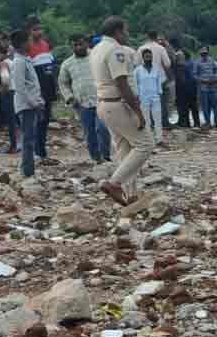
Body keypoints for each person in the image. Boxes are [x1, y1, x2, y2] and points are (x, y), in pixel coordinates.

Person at [92, 17, 150, 205]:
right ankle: (114, 183)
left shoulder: (96, 49)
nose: (127, 34)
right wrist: (138, 112)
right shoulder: (115, 50)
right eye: (125, 30)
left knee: (124, 148)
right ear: (117, 32)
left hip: (104, 104)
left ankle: (131, 193)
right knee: (145, 144)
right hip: (118, 104)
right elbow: (122, 83)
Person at [59, 35, 111, 163]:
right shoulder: (67, 63)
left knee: (103, 129)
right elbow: (63, 83)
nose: (78, 47)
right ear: (71, 46)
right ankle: (96, 159)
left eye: (80, 44)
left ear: (86, 43)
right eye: (75, 45)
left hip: (101, 99)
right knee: (89, 133)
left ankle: (105, 156)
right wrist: (70, 97)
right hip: (82, 103)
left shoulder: (97, 56)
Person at [10, 30, 45, 178]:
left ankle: (27, 169)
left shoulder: (26, 60)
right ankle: (27, 172)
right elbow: (19, 87)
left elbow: (31, 84)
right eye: (30, 40)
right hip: (26, 106)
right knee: (28, 139)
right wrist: (33, 103)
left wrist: (38, 100)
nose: (32, 43)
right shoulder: (18, 62)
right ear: (23, 44)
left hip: (31, 104)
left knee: (30, 138)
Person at [26, 19, 56, 160]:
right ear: (29, 31)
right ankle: (35, 150)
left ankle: (41, 150)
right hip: (36, 89)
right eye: (35, 29)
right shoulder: (27, 47)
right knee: (38, 119)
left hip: (48, 87)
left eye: (40, 29)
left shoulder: (45, 44)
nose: (39, 32)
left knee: (45, 120)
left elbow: (50, 67)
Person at [135, 48, 166, 146]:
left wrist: (160, 94)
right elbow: (135, 84)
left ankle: (159, 139)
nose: (149, 58)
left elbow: (159, 82)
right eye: (146, 56)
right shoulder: (138, 70)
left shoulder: (156, 68)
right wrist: (137, 96)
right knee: (146, 120)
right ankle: (149, 140)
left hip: (155, 96)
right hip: (143, 97)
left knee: (158, 119)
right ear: (143, 58)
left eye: (150, 56)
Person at [190, 48, 217, 130]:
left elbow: (216, 71)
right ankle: (208, 122)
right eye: (203, 54)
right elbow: (194, 75)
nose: (204, 55)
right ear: (200, 54)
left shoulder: (212, 61)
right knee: (205, 106)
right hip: (203, 87)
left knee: (216, 105)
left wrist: (215, 78)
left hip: (213, 86)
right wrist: (202, 80)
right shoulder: (197, 62)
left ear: (207, 54)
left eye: (205, 54)